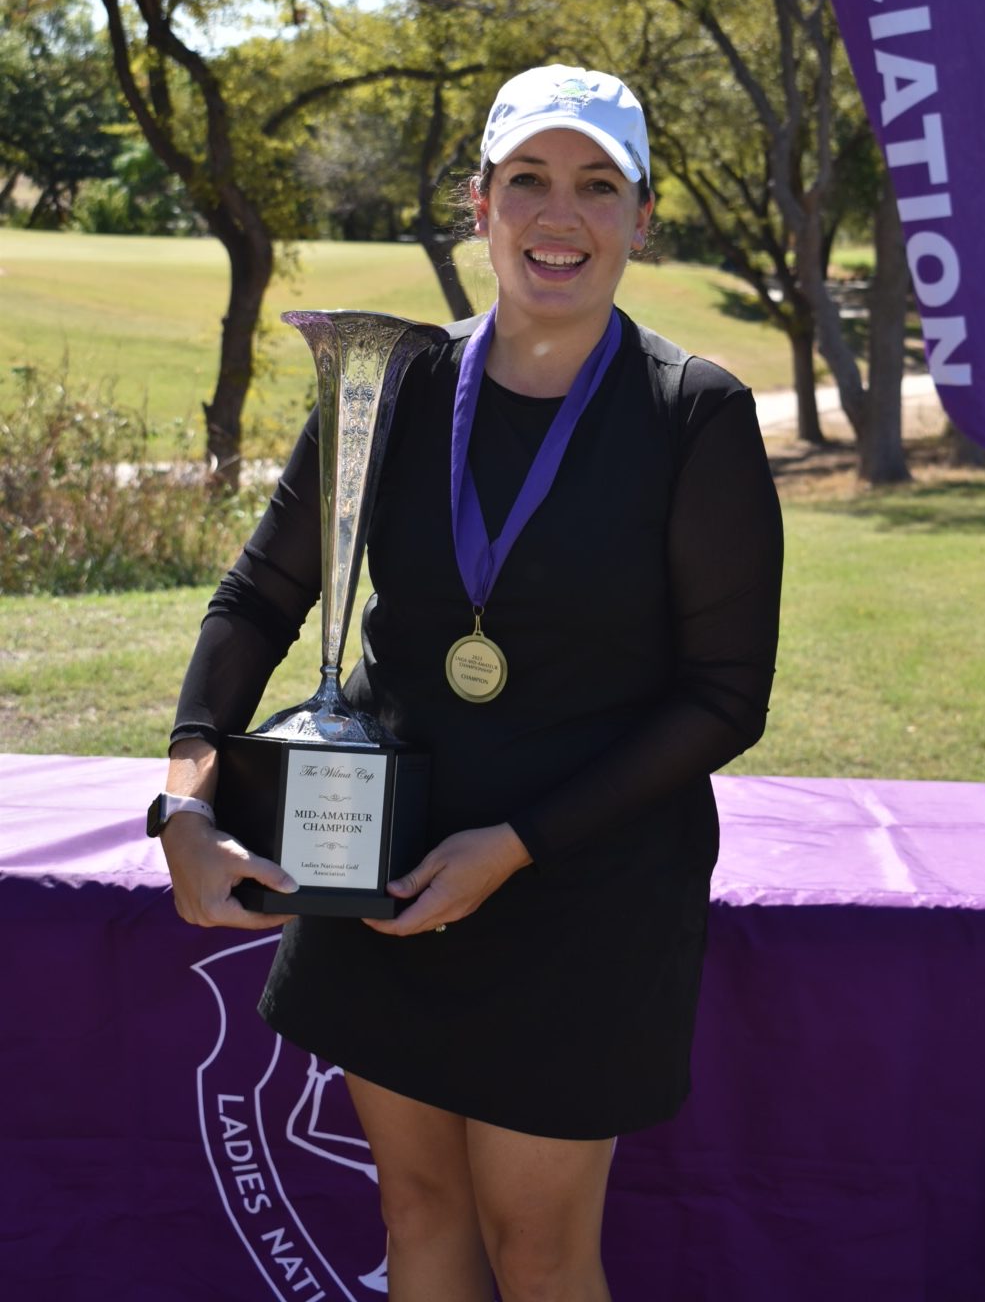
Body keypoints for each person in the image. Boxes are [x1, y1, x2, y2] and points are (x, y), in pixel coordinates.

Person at [154, 64, 784, 1302]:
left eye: (598, 186)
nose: (563, 216)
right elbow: (257, 599)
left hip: (585, 884)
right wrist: (183, 799)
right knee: (419, 1207)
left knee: (541, 1247)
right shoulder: (389, 379)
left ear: (642, 218)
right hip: (387, 869)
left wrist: (519, 843)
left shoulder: (692, 413)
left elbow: (725, 694)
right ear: (479, 204)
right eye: (529, 181)